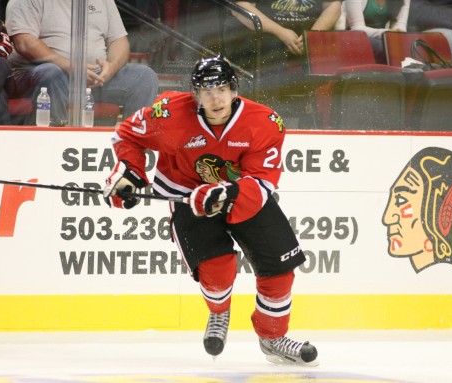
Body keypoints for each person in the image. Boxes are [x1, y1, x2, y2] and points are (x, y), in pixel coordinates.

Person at [103, 55, 318, 365]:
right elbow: (127, 135)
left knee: (280, 267)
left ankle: (273, 338)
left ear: (234, 90)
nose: (215, 98)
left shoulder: (264, 122)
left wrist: (226, 193)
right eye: (207, 91)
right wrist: (130, 174)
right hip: (188, 196)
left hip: (245, 195)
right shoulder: (168, 113)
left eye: (221, 89)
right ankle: (219, 313)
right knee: (217, 268)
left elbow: (262, 181)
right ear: (195, 95)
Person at [5, 0, 159, 126]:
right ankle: (52, 142)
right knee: (52, 73)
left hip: (95, 78)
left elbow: (118, 40)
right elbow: (24, 42)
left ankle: (135, 144)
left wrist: (111, 66)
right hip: (42, 76)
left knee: (144, 77)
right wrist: (70, 67)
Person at [223, 0, 342, 107]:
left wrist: (311, 36)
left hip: (308, 34)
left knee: (329, 49)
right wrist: (281, 32)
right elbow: (240, 7)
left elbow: (333, 5)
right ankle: (268, 110)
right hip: (263, 35)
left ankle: (311, 114)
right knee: (271, 45)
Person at [344, 0, 411, 63]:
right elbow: (356, 28)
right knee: (385, 47)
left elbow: (400, 25)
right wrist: (388, 33)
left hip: (382, 37)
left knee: (407, 47)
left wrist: (396, 34)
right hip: (353, 38)